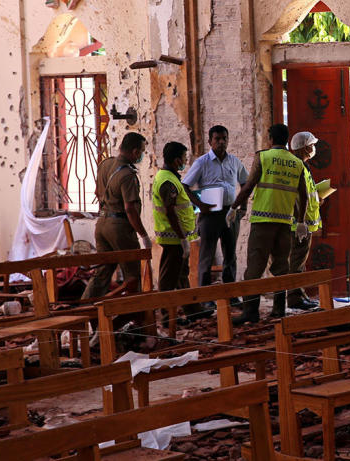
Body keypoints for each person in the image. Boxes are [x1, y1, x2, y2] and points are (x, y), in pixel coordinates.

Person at [230, 124, 308, 323]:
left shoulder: (263, 157)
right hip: (284, 223)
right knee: (282, 267)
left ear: (271, 138)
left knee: (254, 268)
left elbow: (248, 187)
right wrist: (301, 221)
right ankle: (279, 310)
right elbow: (303, 195)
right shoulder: (296, 162)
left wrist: (234, 207)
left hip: (263, 222)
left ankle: (250, 311)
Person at [81, 132, 151, 299]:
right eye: (141, 151)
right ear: (135, 152)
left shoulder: (105, 164)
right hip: (119, 227)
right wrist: (143, 235)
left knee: (102, 272)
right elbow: (130, 209)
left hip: (102, 223)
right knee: (132, 274)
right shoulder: (127, 175)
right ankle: (135, 316)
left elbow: (97, 192)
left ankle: (85, 308)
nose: (141, 155)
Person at [152, 142, 214, 322]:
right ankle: (166, 316)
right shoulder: (167, 181)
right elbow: (170, 212)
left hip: (178, 237)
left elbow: (180, 206)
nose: (185, 162)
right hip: (173, 238)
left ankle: (193, 310)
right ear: (177, 159)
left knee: (180, 276)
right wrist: (182, 239)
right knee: (168, 279)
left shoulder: (171, 177)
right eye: (184, 159)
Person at [182, 125, 248, 289]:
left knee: (230, 255)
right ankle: (206, 296)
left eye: (224, 139)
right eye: (217, 139)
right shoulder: (202, 162)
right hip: (210, 214)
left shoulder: (234, 161)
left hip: (230, 213)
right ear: (210, 141)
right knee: (207, 254)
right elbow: (185, 185)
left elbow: (245, 183)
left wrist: (243, 208)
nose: (221, 142)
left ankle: (230, 293)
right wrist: (199, 205)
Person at [286, 131, 322, 311]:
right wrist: (300, 222)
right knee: (296, 263)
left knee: (299, 262)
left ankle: (300, 295)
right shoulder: (297, 166)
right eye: (312, 145)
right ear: (306, 147)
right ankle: (294, 298)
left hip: (305, 223)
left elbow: (307, 195)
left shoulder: (303, 166)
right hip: (300, 224)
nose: (314, 148)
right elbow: (297, 197)